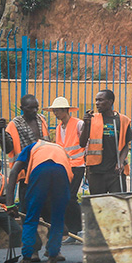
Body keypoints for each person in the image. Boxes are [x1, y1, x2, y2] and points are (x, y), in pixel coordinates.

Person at [5, 140, 72, 263]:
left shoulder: (30, 148)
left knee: (31, 216)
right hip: (63, 174)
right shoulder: (60, 148)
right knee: (57, 219)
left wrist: (10, 204)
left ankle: (26, 261)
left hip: (40, 171)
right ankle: (52, 259)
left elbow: (13, 173)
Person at [46, 96, 85, 243]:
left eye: (57, 111)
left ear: (65, 110)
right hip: (65, 166)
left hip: (78, 165)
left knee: (70, 197)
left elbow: (85, 143)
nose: (55, 114)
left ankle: (77, 230)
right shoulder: (58, 127)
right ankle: (73, 231)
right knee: (66, 197)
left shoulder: (78, 124)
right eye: (54, 111)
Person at [79, 90, 132, 194]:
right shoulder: (91, 119)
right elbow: (82, 143)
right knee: (98, 204)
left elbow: (125, 145)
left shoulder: (122, 120)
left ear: (110, 102)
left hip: (115, 172)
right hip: (96, 172)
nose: (97, 103)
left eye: (100, 100)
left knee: (118, 203)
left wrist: (121, 162)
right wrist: (86, 124)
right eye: (96, 100)